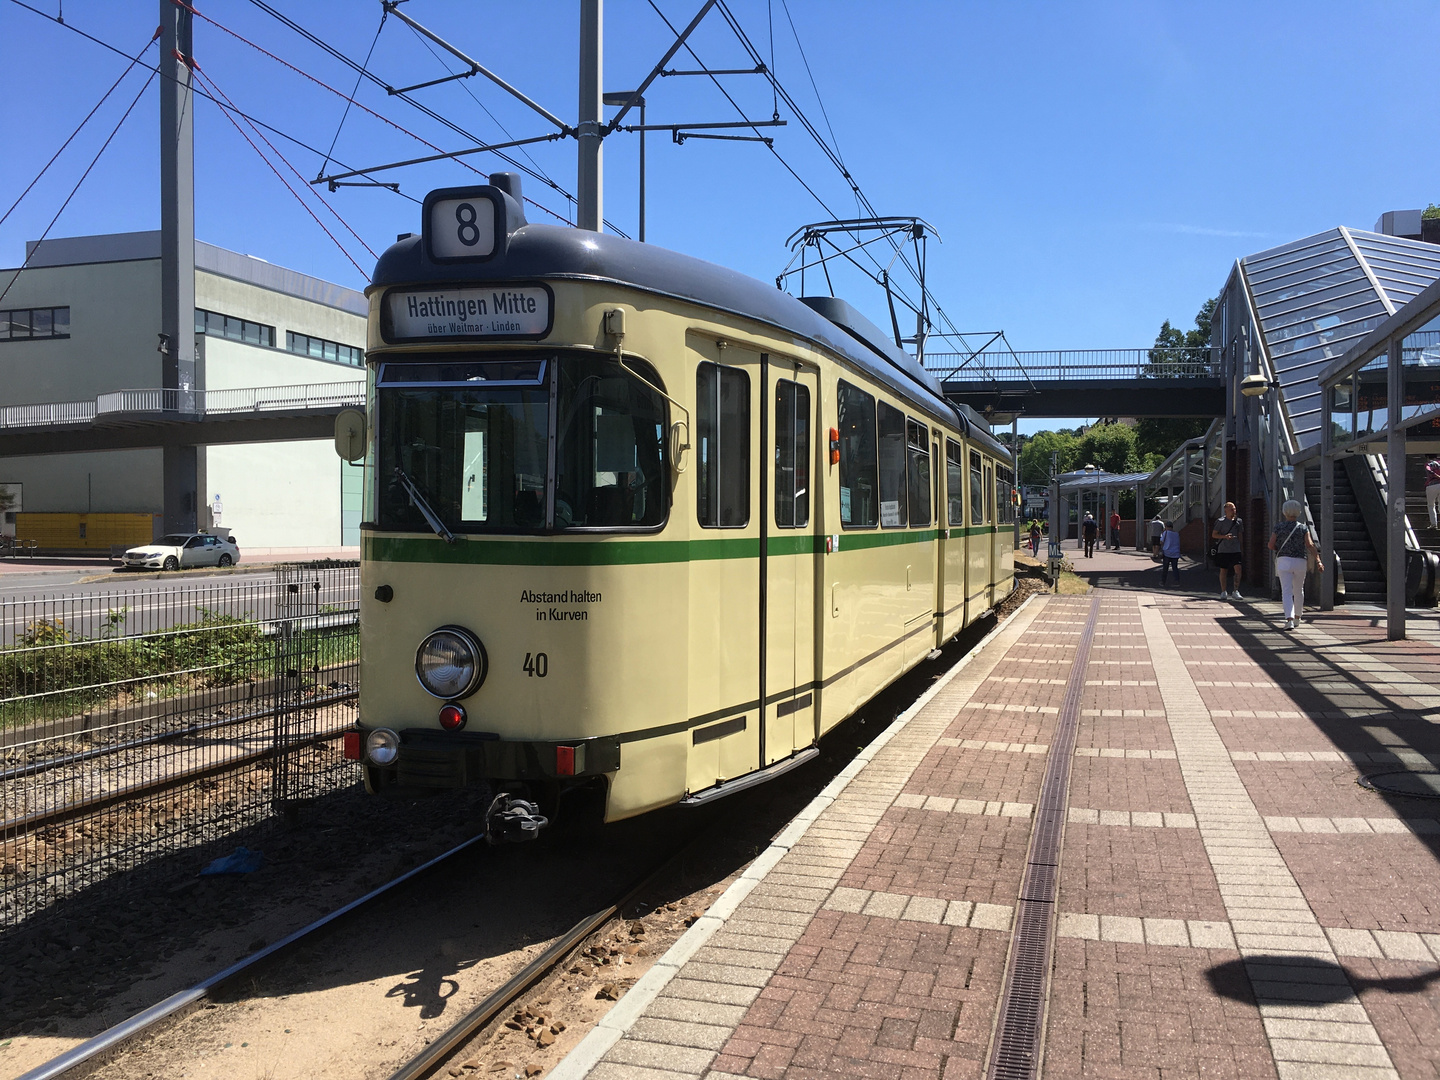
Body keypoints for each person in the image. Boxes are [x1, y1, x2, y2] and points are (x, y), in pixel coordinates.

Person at [1268, 499, 1324, 631]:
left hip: (1284, 561)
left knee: (1286, 591)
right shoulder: (1303, 528)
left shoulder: (1279, 527)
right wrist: (1318, 560)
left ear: (1284, 511)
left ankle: (1289, 620)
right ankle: (1298, 617)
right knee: (1298, 590)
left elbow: (1270, 545)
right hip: (1300, 561)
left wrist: (1280, 548)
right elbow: (1310, 545)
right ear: (1298, 512)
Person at [1212, 502, 1244, 600]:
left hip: (1235, 549)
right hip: (1224, 549)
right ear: (1226, 510)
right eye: (1231, 509)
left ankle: (1236, 590)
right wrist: (1224, 537)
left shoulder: (1238, 521)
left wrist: (1241, 547)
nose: (1233, 511)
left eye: (1234, 509)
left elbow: (1240, 535)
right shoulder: (1220, 521)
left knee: (1238, 569)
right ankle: (1223, 591)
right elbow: (1214, 535)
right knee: (1224, 570)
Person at [1160, 520, 1181, 586]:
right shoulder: (1177, 534)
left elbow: (1161, 541)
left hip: (1167, 553)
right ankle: (1176, 581)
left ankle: (1163, 582)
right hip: (1176, 553)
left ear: (1166, 527)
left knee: (1165, 569)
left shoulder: (1165, 533)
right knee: (1175, 568)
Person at [1427, 456, 1440, 529]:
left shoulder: (1429, 464)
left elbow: (1429, 470)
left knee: (1431, 505)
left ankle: (1434, 524)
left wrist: (1436, 475)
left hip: (1432, 485)